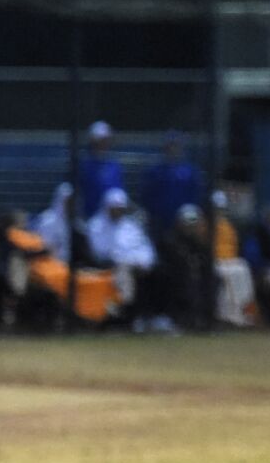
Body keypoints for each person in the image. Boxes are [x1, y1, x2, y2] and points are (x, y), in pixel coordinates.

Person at [86, 187, 163, 328]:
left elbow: (145, 248)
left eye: (120, 208)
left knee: (159, 273)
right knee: (123, 271)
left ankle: (151, 316)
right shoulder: (96, 226)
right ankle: (126, 309)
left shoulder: (131, 226)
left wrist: (143, 262)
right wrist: (126, 260)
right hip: (109, 265)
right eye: (114, 208)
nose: (118, 211)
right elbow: (100, 252)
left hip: (136, 266)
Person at [142, 131, 203, 233]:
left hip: (185, 220)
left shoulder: (190, 171)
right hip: (160, 220)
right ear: (165, 148)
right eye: (170, 146)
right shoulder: (155, 171)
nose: (173, 149)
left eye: (176, 146)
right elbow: (147, 195)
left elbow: (196, 194)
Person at [210, 191, 255, 328]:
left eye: (221, 208)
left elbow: (234, 247)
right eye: (217, 208)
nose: (219, 211)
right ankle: (226, 315)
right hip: (216, 261)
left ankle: (244, 313)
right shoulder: (207, 225)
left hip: (230, 260)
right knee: (226, 276)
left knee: (243, 268)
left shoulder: (228, 226)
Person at [78, 121, 124, 221]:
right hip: (90, 218)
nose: (103, 144)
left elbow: (119, 193)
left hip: (112, 219)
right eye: (100, 140)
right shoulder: (83, 166)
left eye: (106, 140)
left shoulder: (114, 166)